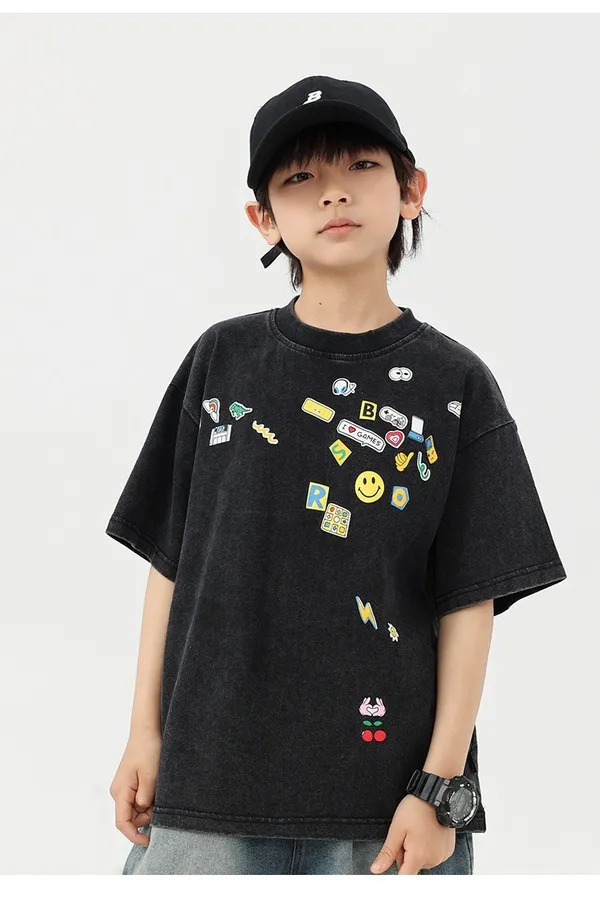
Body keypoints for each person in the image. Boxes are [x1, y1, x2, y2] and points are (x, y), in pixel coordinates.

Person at [106, 75, 567, 876]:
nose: (333, 194)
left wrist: (441, 788)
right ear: (263, 218)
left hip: (385, 812)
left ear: (411, 190)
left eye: (360, 166)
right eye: (299, 178)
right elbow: (170, 564)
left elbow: (471, 601)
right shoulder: (221, 362)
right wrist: (143, 732)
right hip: (205, 790)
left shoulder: (456, 387)